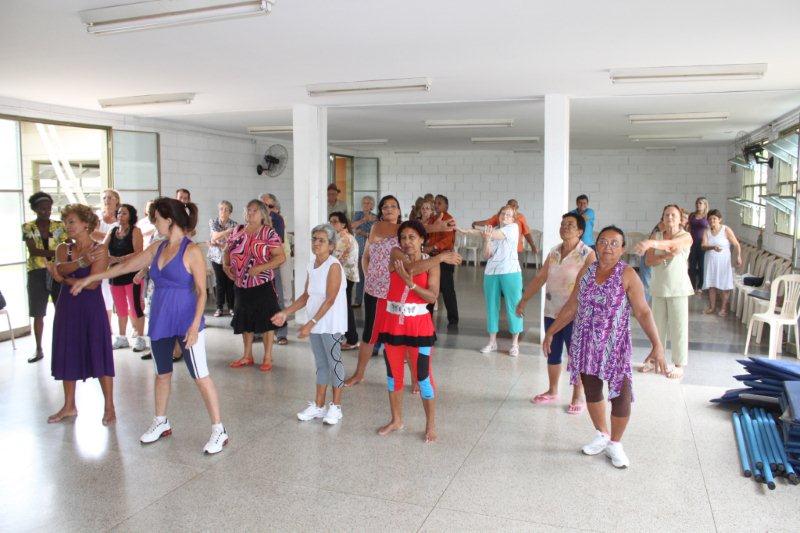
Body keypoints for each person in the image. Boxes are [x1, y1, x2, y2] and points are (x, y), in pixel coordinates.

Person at [73, 197, 229, 454]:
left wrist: (194, 327)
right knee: (162, 374)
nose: (153, 223)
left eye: (156, 219)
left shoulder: (191, 251)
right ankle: (161, 421)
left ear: (169, 220)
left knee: (200, 376)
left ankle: (219, 429)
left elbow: (202, 292)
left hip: (186, 320)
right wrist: (93, 277)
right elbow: (126, 266)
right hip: (160, 319)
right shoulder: (158, 246)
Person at [544, 226, 666, 468]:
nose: (607, 247)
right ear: (596, 245)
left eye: (614, 243)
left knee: (621, 394)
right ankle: (602, 434)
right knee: (592, 390)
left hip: (615, 346)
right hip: (585, 343)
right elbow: (572, 305)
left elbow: (643, 311)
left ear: (622, 249)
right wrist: (551, 331)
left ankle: (615, 444)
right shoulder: (587, 271)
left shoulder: (627, 274)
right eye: (603, 242)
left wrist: (658, 345)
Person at [516, 212, 595, 413]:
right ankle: (552, 390)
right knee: (552, 351)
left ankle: (578, 395)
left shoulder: (587, 254)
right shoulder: (554, 252)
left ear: (580, 231)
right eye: (562, 224)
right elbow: (540, 278)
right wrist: (524, 300)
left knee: (576, 355)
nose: (564, 227)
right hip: (552, 311)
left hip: (575, 314)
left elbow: (588, 286)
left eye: (570, 225)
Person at [271, 224, 348, 425]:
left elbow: (330, 299)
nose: (316, 243)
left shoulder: (333, 265)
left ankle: (336, 406)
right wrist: (285, 313)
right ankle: (319, 406)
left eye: (322, 240)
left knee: (334, 362)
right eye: (314, 239)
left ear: (331, 246)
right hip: (316, 322)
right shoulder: (311, 264)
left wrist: (310, 324)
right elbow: (306, 295)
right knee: (321, 364)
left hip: (330, 322)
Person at [48, 204, 115, 425]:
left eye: (72, 222)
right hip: (68, 307)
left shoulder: (100, 249)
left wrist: (63, 279)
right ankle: (69, 406)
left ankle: (109, 406)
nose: (67, 226)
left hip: (91, 307)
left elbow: (92, 284)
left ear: (86, 223)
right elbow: (60, 267)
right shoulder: (63, 248)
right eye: (66, 222)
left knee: (98, 351)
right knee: (68, 350)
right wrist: (80, 264)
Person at [375, 220, 440, 443]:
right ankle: (396, 420)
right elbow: (411, 269)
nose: (407, 242)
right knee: (393, 376)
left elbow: (432, 297)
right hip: (393, 325)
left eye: (412, 237)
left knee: (423, 377)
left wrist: (412, 285)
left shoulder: (432, 265)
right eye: (403, 237)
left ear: (422, 239)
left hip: (419, 327)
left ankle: (430, 425)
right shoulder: (396, 254)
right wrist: (440, 257)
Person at [225, 200, 285, 372]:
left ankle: (267, 357)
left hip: (262, 284)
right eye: (248, 210)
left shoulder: (268, 232)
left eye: (254, 210)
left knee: (267, 321)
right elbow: (226, 251)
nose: (250, 213)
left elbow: (280, 257)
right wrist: (225, 266)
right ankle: (247, 356)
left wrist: (260, 268)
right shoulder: (237, 230)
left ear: (262, 214)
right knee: (244, 320)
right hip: (241, 284)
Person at [635, 205, 693, 379]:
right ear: (662, 218)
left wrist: (650, 243)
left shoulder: (685, 236)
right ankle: (654, 359)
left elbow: (673, 245)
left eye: (673, 215)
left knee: (678, 327)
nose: (670, 217)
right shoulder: (657, 236)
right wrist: (664, 256)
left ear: (681, 219)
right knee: (657, 327)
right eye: (667, 215)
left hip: (678, 288)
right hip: (659, 286)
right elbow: (649, 260)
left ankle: (679, 364)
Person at [22, 192, 67, 363]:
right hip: (36, 272)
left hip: (58, 271)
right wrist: (57, 252)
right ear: (34, 209)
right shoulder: (28, 227)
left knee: (61, 310)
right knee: (38, 312)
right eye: (42, 208)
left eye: (48, 208)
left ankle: (63, 346)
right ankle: (39, 348)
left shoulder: (59, 225)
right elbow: (33, 251)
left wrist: (59, 254)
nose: (46, 211)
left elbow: (67, 245)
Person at [480, 205, 524, 356]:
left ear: (513, 219)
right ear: (498, 215)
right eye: (503, 213)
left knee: (514, 306)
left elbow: (494, 234)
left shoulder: (513, 228)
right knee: (491, 306)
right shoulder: (492, 231)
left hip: (510, 272)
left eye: (509, 214)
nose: (505, 216)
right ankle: (492, 342)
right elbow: (486, 255)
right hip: (491, 273)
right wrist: (486, 240)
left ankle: (515, 344)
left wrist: (474, 231)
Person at [104, 204, 146, 351]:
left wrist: (118, 259)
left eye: (124, 213)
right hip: (115, 275)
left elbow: (138, 252)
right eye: (119, 213)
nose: (120, 216)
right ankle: (122, 338)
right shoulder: (112, 231)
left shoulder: (136, 231)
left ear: (131, 216)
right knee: (120, 308)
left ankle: (140, 338)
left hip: (132, 275)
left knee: (135, 307)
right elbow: (103, 248)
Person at [425, 195, 459, 327]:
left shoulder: (449, 220)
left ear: (446, 206)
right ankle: (427, 316)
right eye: (435, 203)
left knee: (447, 289)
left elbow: (447, 240)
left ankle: (453, 319)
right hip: (431, 258)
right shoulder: (432, 219)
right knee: (430, 287)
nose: (436, 205)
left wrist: (433, 247)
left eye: (439, 203)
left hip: (445, 258)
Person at [260, 193, 289, 345]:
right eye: (263, 205)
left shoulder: (277, 219)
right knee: (258, 298)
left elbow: (277, 242)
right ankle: (259, 330)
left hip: (272, 264)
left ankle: (281, 333)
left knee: (277, 297)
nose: (266, 208)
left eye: (269, 206)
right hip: (257, 266)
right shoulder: (254, 219)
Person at [702, 209, 742, 316]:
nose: (712, 221)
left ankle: (723, 308)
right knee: (711, 285)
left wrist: (738, 256)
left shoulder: (726, 230)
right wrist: (713, 247)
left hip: (724, 262)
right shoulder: (706, 231)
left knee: (725, 284)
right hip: (711, 262)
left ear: (720, 219)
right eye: (710, 219)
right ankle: (712, 307)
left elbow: (736, 244)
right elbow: (703, 246)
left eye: (714, 218)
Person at [329, 211, 360, 349]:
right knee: (344, 307)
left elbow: (334, 259)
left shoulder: (343, 238)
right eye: (330, 221)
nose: (332, 224)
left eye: (335, 221)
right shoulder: (341, 237)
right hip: (345, 276)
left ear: (343, 224)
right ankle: (349, 337)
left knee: (345, 308)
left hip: (344, 277)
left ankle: (352, 339)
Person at [472, 199, 537, 255]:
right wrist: (476, 223)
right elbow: (488, 222)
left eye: (514, 206)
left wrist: (533, 245)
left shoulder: (520, 217)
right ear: (507, 205)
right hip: (502, 249)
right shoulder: (500, 216)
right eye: (510, 206)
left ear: (517, 207)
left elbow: (526, 233)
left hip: (517, 249)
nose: (512, 208)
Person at [93, 189, 119, 324]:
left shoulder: (121, 217)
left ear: (116, 200)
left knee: (113, 294)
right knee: (102, 293)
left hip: (115, 258)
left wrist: (108, 239)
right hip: (98, 258)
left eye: (110, 197)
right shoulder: (97, 217)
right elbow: (91, 233)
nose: (106, 200)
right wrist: (111, 237)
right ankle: (105, 326)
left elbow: (124, 237)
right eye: (104, 198)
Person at [209, 200, 237, 317]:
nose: (223, 211)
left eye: (226, 209)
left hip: (229, 257)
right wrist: (227, 232)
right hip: (216, 257)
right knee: (219, 282)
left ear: (230, 212)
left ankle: (231, 307)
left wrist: (219, 242)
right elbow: (214, 236)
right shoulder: (213, 222)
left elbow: (233, 242)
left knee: (230, 282)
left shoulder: (234, 224)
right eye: (221, 209)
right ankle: (219, 308)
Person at [350, 195, 377, 307]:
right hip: (360, 250)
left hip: (373, 251)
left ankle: (373, 300)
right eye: (364, 203)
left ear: (372, 206)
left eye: (368, 203)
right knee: (360, 276)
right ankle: (358, 300)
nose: (366, 205)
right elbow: (352, 227)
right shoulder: (358, 215)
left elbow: (375, 234)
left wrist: (363, 233)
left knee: (373, 276)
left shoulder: (376, 217)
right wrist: (364, 220)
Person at [687, 197, 709, 293]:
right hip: (692, 243)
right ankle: (692, 286)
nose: (698, 205)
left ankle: (700, 286)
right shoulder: (692, 215)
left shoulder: (707, 216)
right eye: (697, 203)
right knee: (692, 265)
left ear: (705, 205)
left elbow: (710, 229)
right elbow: (688, 227)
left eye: (700, 203)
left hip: (702, 243)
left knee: (701, 265)